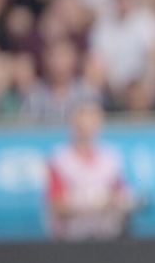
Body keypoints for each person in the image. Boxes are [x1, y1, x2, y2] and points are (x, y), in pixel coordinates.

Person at [46, 100, 136, 241]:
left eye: (92, 119)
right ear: (73, 123)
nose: (86, 125)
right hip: (71, 238)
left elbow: (121, 195)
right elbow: (57, 205)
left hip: (107, 236)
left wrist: (116, 202)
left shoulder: (111, 157)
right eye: (82, 120)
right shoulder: (60, 159)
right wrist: (92, 206)